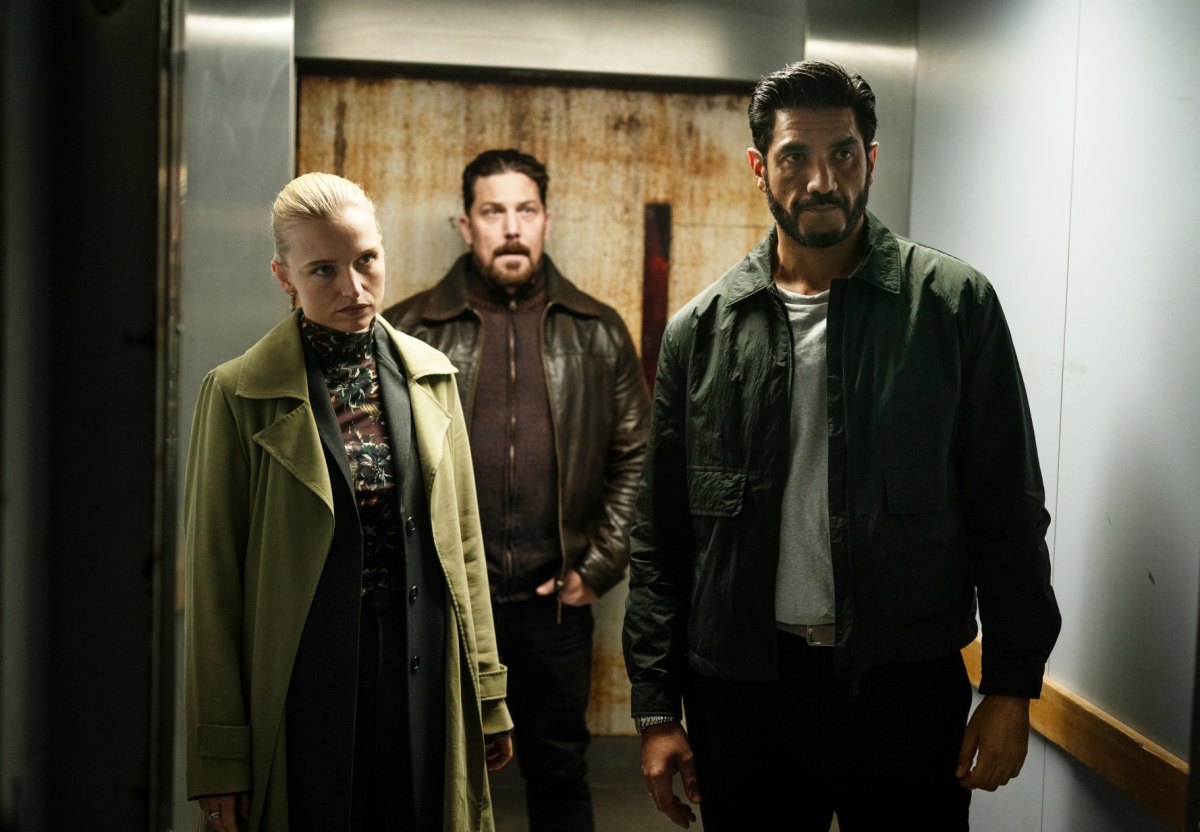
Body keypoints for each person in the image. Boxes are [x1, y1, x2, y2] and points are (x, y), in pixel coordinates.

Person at [622, 60, 1062, 831]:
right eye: (794, 156)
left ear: (872, 159)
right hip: (744, 693)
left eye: (844, 154)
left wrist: (1011, 686)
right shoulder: (702, 331)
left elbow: (1008, 510)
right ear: (759, 166)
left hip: (904, 686)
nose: (822, 180)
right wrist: (656, 710)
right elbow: (661, 537)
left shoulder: (952, 308)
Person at [184, 172, 513, 832]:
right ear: (284, 277)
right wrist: (221, 759)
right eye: (324, 270)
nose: (354, 288)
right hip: (302, 686)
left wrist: (487, 694)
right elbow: (214, 587)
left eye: (366, 260)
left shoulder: (431, 377)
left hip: (424, 673)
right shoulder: (236, 394)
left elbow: (465, 551)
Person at [385, 149, 650, 831]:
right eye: (493, 211)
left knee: (559, 775)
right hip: (440, 604)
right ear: (466, 225)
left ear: (546, 221)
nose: (510, 227)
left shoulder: (597, 331)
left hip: (551, 608)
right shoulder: (408, 331)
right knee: (424, 775)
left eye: (525, 210)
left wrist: (596, 569)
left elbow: (638, 460)